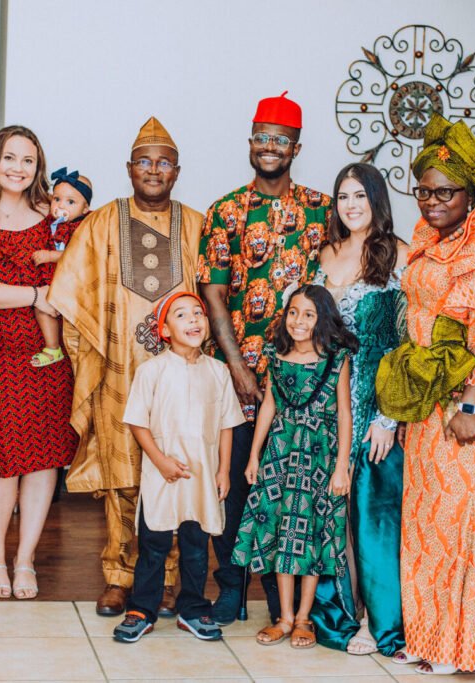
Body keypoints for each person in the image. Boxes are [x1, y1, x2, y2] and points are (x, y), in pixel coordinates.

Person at [377, 113, 475, 674]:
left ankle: (457, 645)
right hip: (425, 398)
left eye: (444, 191)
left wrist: (470, 405)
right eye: (423, 190)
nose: (432, 201)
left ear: (469, 193)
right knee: (422, 522)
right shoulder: (427, 239)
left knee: (459, 523)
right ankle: (423, 637)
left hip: (465, 402)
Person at [49, 117, 204, 617]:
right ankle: (119, 574)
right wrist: (89, 359)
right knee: (123, 477)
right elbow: (71, 296)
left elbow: (216, 300)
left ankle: (166, 578)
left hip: (182, 377)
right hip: (119, 369)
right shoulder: (100, 223)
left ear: (177, 171)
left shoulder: (198, 224)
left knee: (175, 474)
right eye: (144, 161)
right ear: (129, 169)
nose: (153, 170)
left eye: (163, 163)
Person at [198, 92, 331, 624]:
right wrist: (236, 368)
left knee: (291, 486)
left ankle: (281, 598)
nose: (269, 147)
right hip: (236, 373)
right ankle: (230, 587)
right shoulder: (226, 210)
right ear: (250, 142)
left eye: (280, 139)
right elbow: (212, 293)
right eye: (261, 137)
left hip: (302, 380)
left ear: (296, 146)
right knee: (231, 483)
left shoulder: (322, 209)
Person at [0, 125, 78, 600]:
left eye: (28, 160)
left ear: (38, 167)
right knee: (4, 459)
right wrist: (35, 294)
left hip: (51, 355)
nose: (18, 168)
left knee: (44, 459)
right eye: (10, 158)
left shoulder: (53, 215)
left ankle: (25, 559)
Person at [313, 163, 408, 656]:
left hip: (374, 408)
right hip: (326, 404)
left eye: (359, 196)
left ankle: (378, 620)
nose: (350, 205)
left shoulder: (397, 256)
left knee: (371, 519)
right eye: (342, 196)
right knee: (332, 514)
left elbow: (406, 345)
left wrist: (389, 419)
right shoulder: (324, 254)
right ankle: (344, 612)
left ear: (376, 200)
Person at [112, 292, 244, 643]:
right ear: (165, 330)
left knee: (196, 544)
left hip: (202, 476)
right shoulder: (152, 370)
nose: (194, 321)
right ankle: (142, 609)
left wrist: (223, 471)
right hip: (162, 474)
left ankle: (193, 609)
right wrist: (160, 461)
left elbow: (227, 424)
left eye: (198, 314)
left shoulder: (218, 371)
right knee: (154, 543)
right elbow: (138, 422)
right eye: (182, 315)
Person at [233, 285, 357, 649]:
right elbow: (269, 405)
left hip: (319, 455)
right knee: (281, 533)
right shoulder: (276, 353)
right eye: (292, 312)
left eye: (308, 314)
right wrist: (255, 454)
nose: (298, 321)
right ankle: (284, 617)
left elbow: (345, 414)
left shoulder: (337, 359)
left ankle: (305, 618)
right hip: (281, 454)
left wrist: (341, 467)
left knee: (313, 536)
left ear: (322, 320)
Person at [30, 167, 93, 367]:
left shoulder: (82, 227)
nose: (61, 206)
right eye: (56, 199)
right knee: (42, 309)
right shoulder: (51, 222)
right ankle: (52, 347)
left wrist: (50, 256)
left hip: (74, 284)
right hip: (52, 283)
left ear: (84, 209)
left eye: (70, 202)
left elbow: (79, 254)